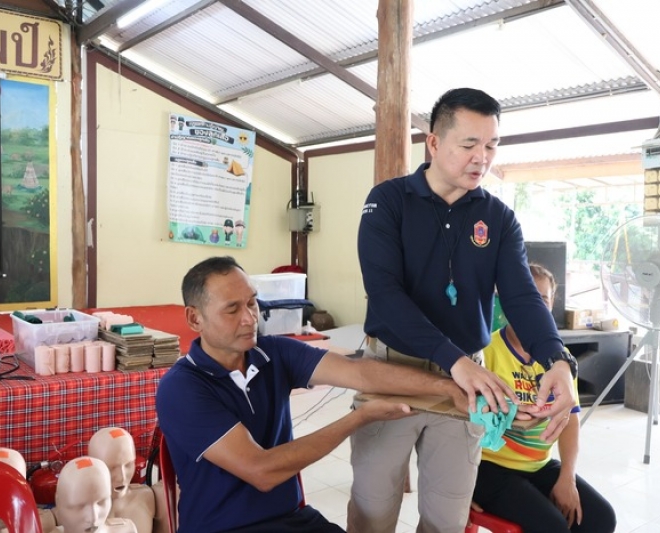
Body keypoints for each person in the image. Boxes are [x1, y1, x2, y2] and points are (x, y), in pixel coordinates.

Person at [351, 87, 578, 533]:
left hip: (467, 384)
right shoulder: (390, 201)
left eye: (491, 145)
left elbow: (522, 296)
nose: (482, 157)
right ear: (434, 143)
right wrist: (453, 359)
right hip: (393, 371)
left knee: (447, 519)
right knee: (373, 511)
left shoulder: (498, 217)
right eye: (470, 143)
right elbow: (384, 294)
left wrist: (557, 359)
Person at [155, 256, 469, 533]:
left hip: (291, 520)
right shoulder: (181, 388)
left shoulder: (273, 352)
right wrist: (358, 419)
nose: (250, 318)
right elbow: (262, 471)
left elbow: (361, 373)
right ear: (195, 318)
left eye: (252, 303)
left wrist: (447, 386)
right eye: (232, 309)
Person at [472, 263, 616, 532]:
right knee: (552, 527)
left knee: (600, 518)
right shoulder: (485, 352)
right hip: (488, 466)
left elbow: (570, 420)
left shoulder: (561, 361)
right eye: (525, 297)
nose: (533, 307)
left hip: (539, 465)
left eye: (543, 299)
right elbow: (461, 419)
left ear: (551, 305)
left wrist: (567, 478)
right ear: (507, 301)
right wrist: (459, 484)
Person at [88, 427, 156, 533]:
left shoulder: (147, 498)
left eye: (128, 465)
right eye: (111, 468)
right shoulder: (78, 514)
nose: (122, 477)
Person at [54, 457, 137, 533]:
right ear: (59, 504)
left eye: (101, 502)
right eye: (80, 507)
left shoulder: (127, 530)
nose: (93, 518)